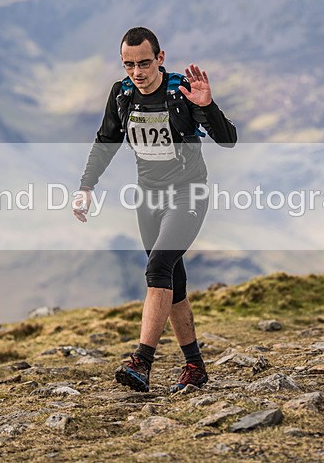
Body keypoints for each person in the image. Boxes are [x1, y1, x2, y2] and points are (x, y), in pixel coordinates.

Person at [73, 27, 237, 391]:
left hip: (187, 195)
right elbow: (105, 141)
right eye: (129, 64)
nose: (137, 72)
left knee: (157, 267)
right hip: (148, 199)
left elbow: (228, 140)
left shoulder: (182, 92)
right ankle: (194, 367)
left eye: (144, 63)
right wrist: (86, 186)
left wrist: (207, 106)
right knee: (172, 284)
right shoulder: (122, 95)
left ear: (160, 58)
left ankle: (141, 361)